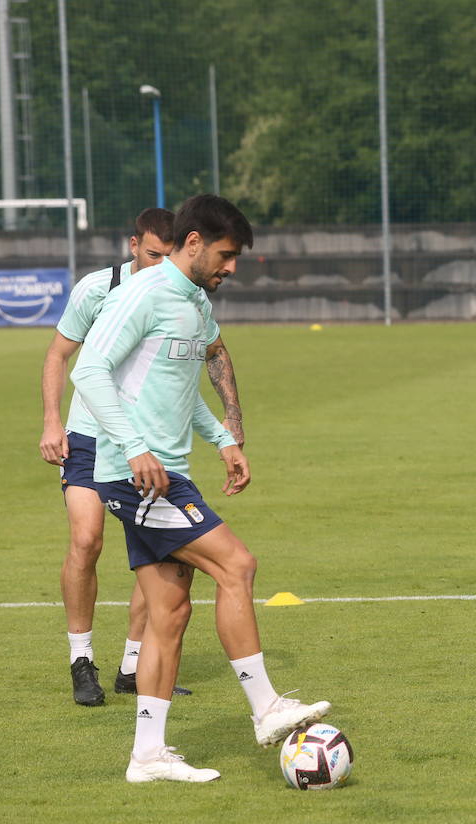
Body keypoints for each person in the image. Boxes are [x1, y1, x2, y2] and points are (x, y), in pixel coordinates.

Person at [71, 194, 329, 783]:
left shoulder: (194, 303)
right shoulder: (142, 294)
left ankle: (147, 756)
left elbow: (178, 389)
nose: (231, 267)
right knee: (237, 565)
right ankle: (266, 708)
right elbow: (89, 371)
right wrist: (134, 448)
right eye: (226, 254)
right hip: (133, 473)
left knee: (170, 612)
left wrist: (223, 440)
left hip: (168, 468)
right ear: (193, 243)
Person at [39, 207, 244, 706]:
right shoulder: (100, 289)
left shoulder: (185, 296)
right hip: (90, 437)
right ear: (135, 246)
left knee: (155, 549)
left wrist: (228, 429)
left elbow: (209, 354)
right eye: (152, 254)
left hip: (146, 443)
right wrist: (51, 421)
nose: (159, 262)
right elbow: (62, 357)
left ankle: (134, 666)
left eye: (165, 255)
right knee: (87, 541)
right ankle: (81, 659)